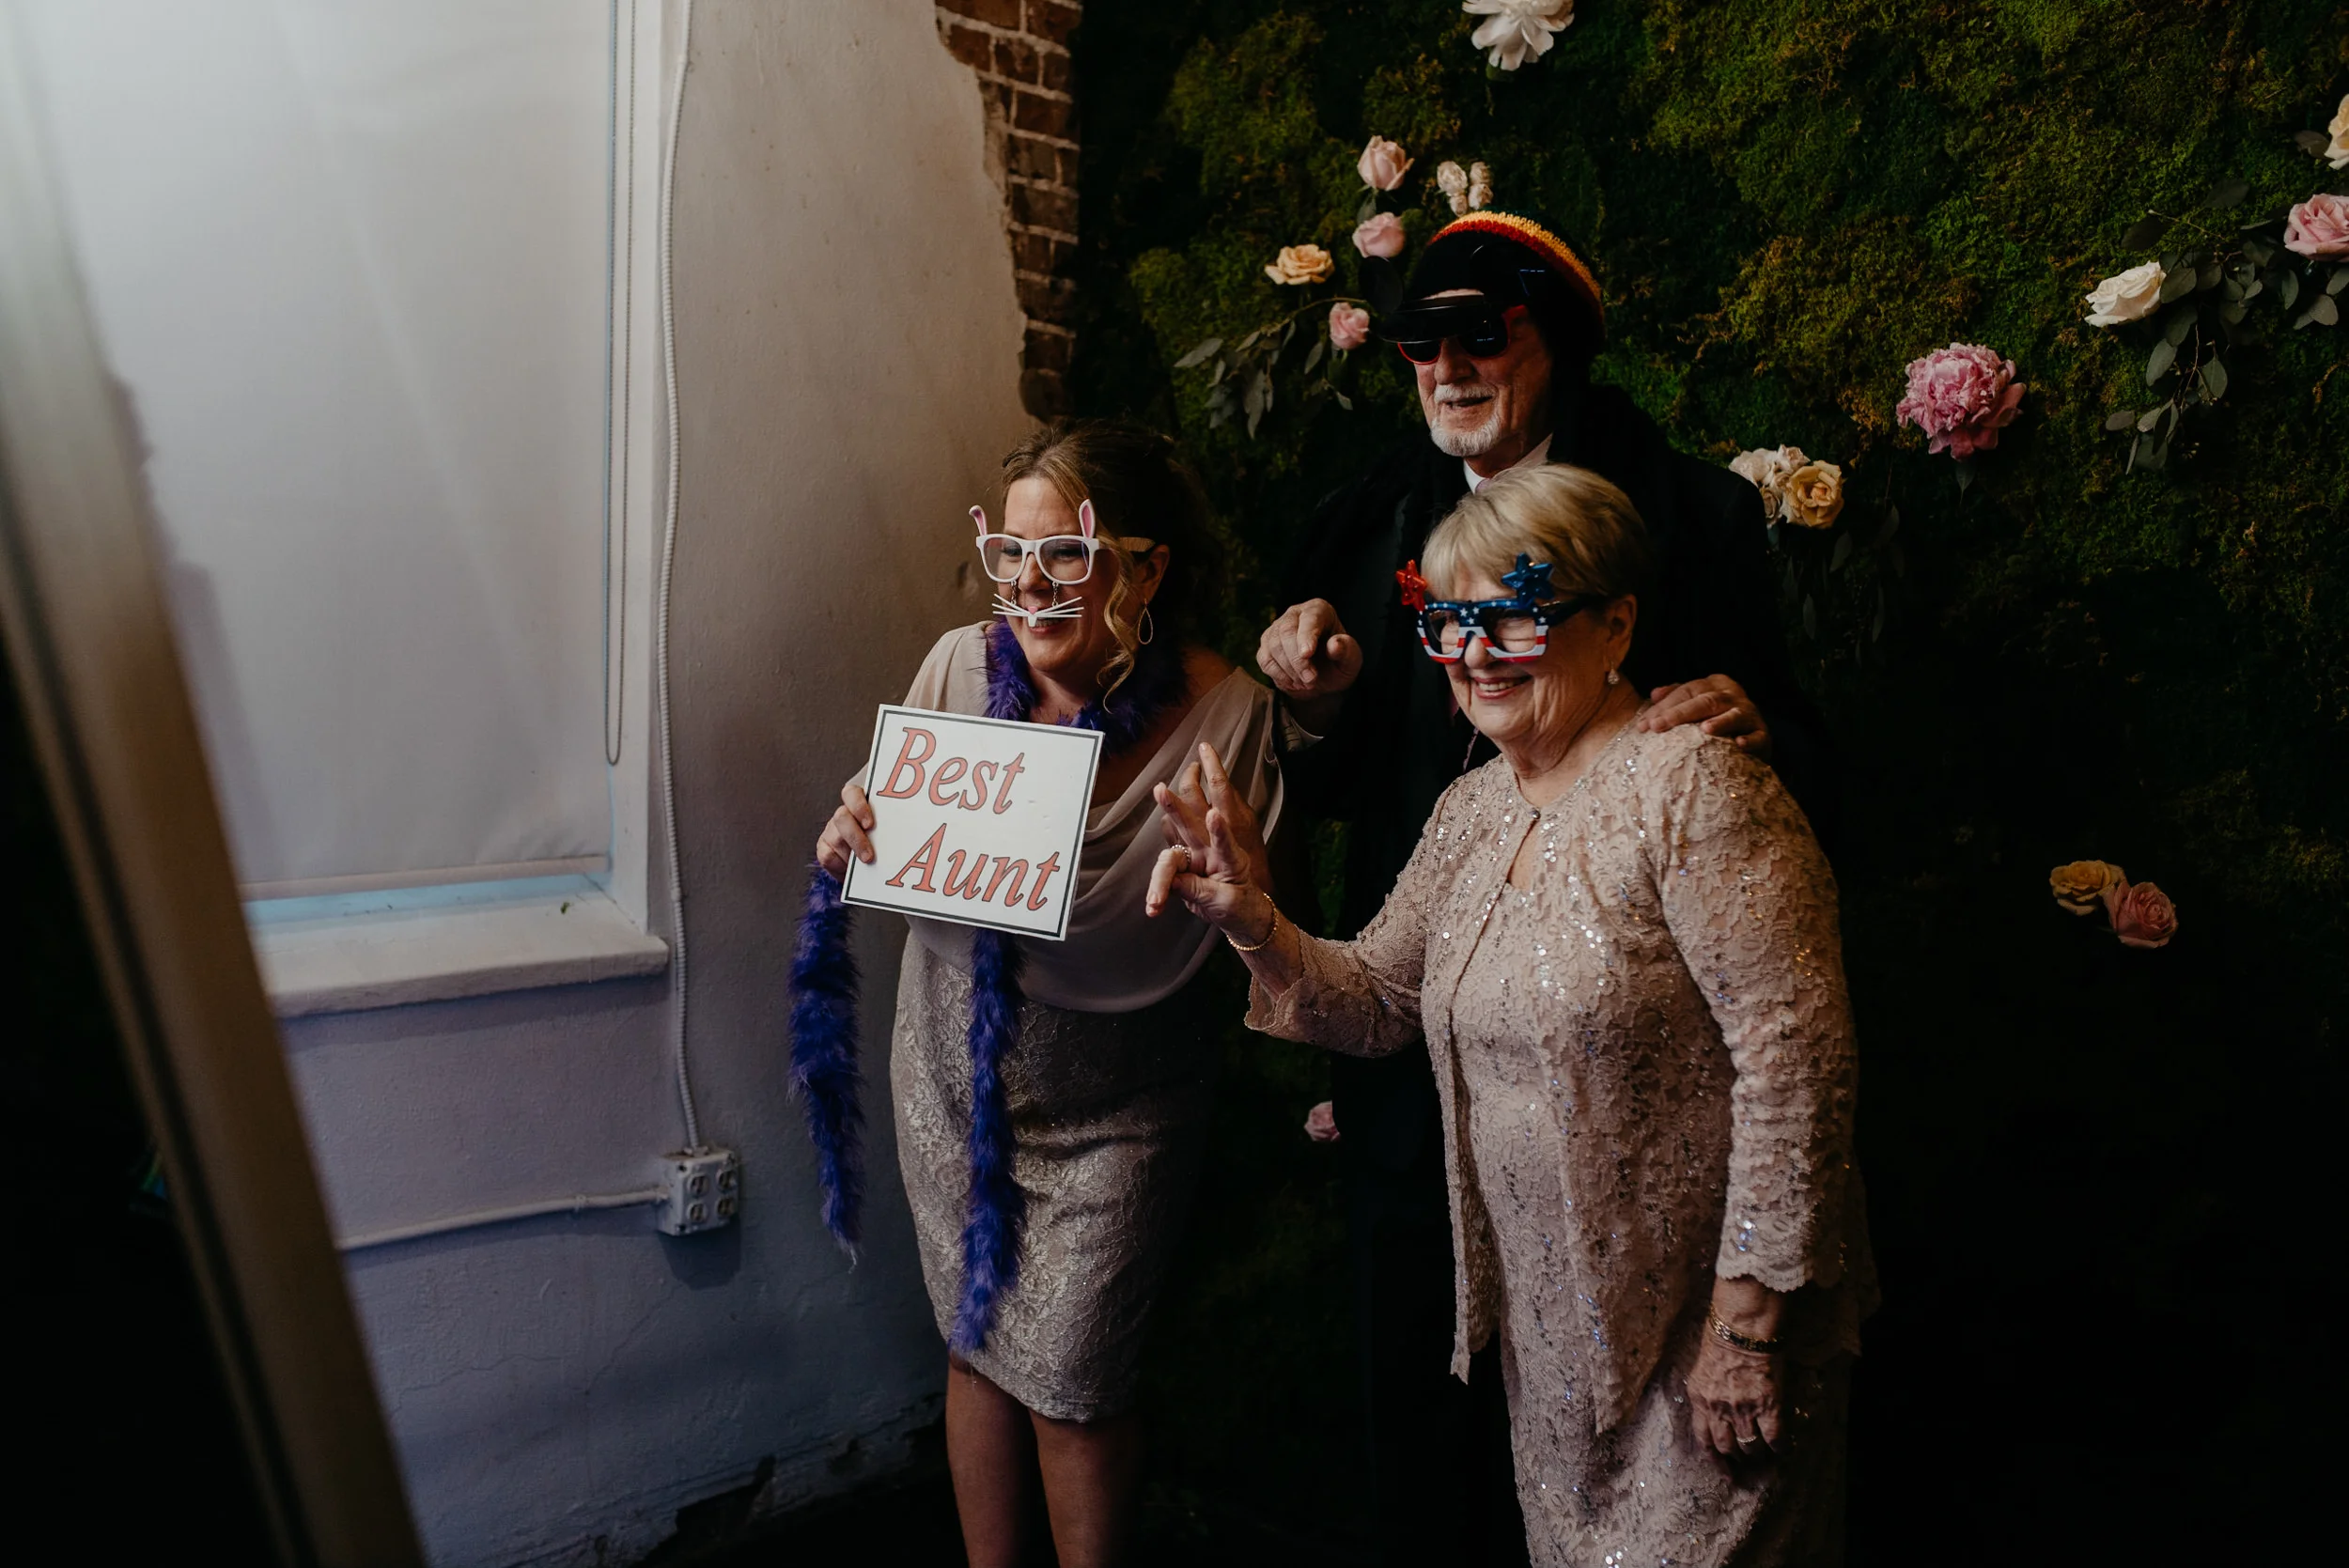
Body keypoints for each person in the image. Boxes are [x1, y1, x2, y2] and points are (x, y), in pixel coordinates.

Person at [1152, 464, 1875, 1566]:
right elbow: (1380, 1000)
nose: (1474, 654)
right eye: (1447, 622)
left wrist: (1745, 1327)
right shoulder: (1473, 806)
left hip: (1711, 1335)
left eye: (1512, 618)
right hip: (1553, 1351)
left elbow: (1798, 1065)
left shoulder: (1694, 788)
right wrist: (1252, 917)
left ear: (1615, 622)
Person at [1254, 210, 1837, 1562]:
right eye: (1417, 342)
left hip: (1641, 1111)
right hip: (1434, 1075)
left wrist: (1755, 722)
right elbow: (1344, 806)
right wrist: (1327, 712)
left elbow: (1800, 791)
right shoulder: (1363, 523)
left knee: (1673, 1490)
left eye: (1480, 335)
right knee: (1439, 1454)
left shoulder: (1688, 515)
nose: (1446, 366)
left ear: (1553, 344)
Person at [804, 419, 1282, 1568]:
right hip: (953, 1070)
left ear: (1146, 567)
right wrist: (850, 833)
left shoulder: (1229, 716)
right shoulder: (960, 665)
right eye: (1008, 556)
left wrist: (1233, 887)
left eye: (1065, 555)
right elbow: (895, 831)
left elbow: (1220, 937)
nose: (1028, 585)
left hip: (1120, 1101)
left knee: (1074, 1381)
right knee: (973, 1343)